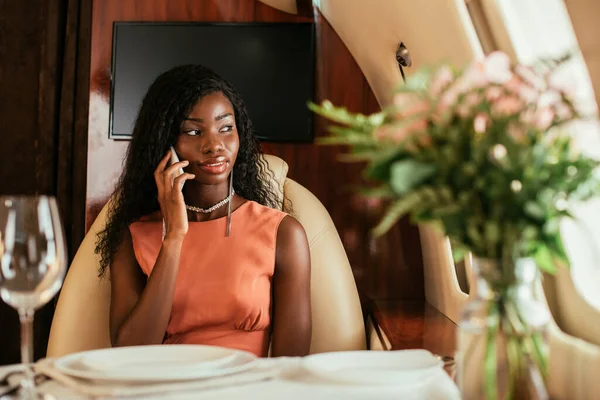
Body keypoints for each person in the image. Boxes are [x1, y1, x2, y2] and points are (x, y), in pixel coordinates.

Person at [95, 65, 312, 357]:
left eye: (226, 128)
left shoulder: (282, 233)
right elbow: (129, 353)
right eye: (193, 132)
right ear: (164, 144)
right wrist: (173, 238)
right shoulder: (133, 237)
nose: (214, 146)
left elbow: (291, 366)